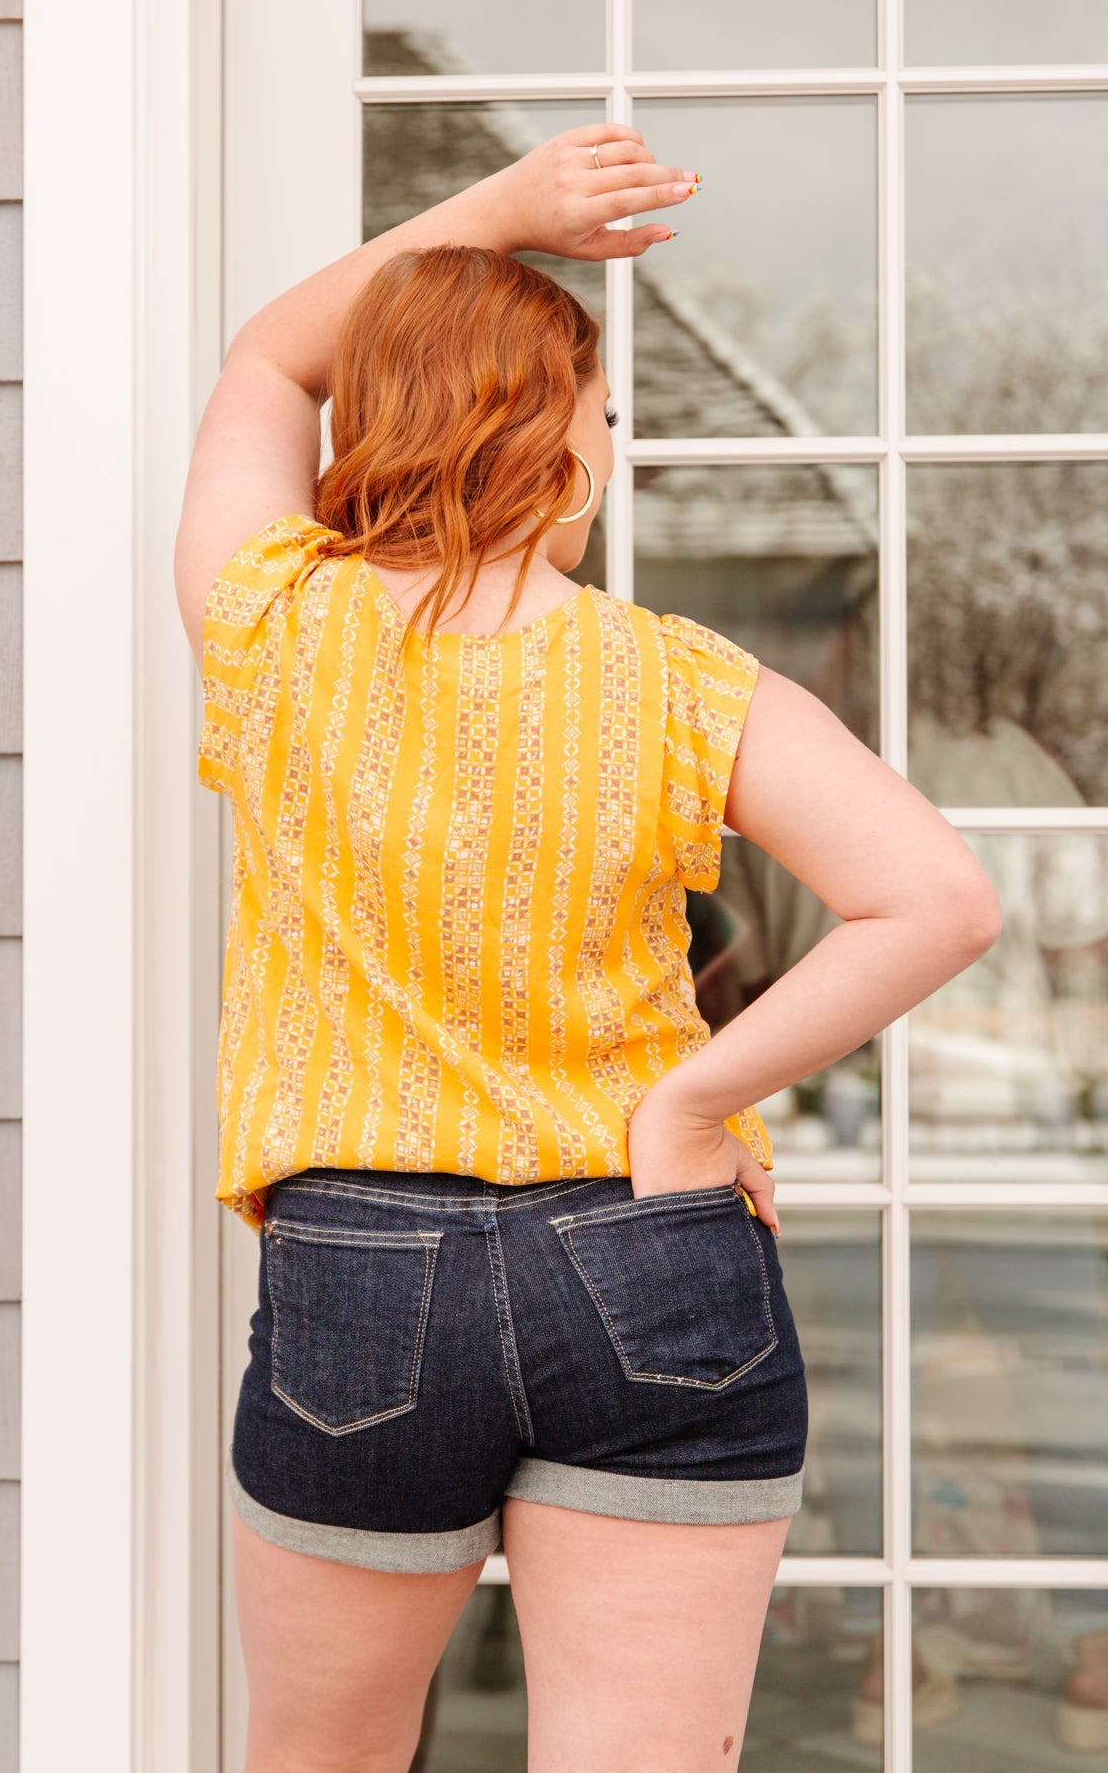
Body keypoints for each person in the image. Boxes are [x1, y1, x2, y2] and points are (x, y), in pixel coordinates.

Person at [174, 125, 1002, 1773]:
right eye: (607, 417)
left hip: (361, 1271)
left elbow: (273, 349)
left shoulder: (271, 627)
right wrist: (692, 1110)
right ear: (555, 447)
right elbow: (940, 898)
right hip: (651, 1251)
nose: (614, 452)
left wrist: (505, 215)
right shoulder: (678, 682)